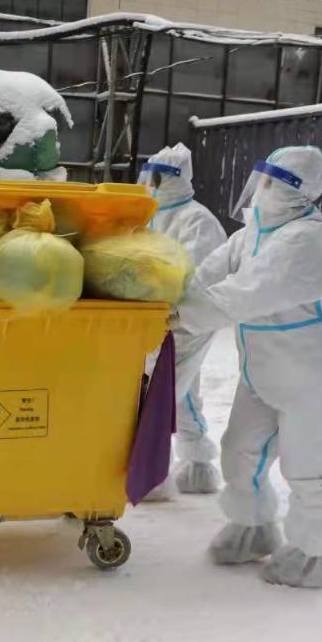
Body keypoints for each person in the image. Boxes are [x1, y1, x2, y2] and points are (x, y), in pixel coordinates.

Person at [175, 146, 322, 589]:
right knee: (240, 450)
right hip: (264, 366)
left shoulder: (306, 240)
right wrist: (170, 294)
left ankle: (315, 557)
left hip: (315, 372)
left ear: (297, 191)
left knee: (309, 468)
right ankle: (252, 528)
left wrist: (181, 316)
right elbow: (208, 275)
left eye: (272, 181)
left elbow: (243, 293)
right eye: (262, 178)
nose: (261, 189)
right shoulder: (253, 234)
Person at [137, 143, 227, 496]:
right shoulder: (150, 214)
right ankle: (198, 467)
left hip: (185, 320)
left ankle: (152, 475)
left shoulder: (196, 220)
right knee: (180, 390)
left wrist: (168, 305)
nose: (148, 183)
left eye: (155, 177)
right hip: (156, 318)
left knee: (160, 392)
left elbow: (196, 276)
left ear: (171, 178)